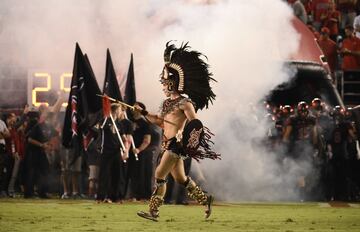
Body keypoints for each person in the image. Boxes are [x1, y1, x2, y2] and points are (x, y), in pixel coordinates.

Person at [137, 42, 220, 221]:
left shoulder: (185, 103)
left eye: (165, 83)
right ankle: (206, 201)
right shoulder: (166, 104)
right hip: (167, 143)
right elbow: (160, 122)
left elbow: (195, 123)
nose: (162, 86)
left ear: (172, 83)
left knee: (159, 175)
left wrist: (184, 134)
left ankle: (154, 212)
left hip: (176, 145)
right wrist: (143, 114)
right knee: (182, 179)